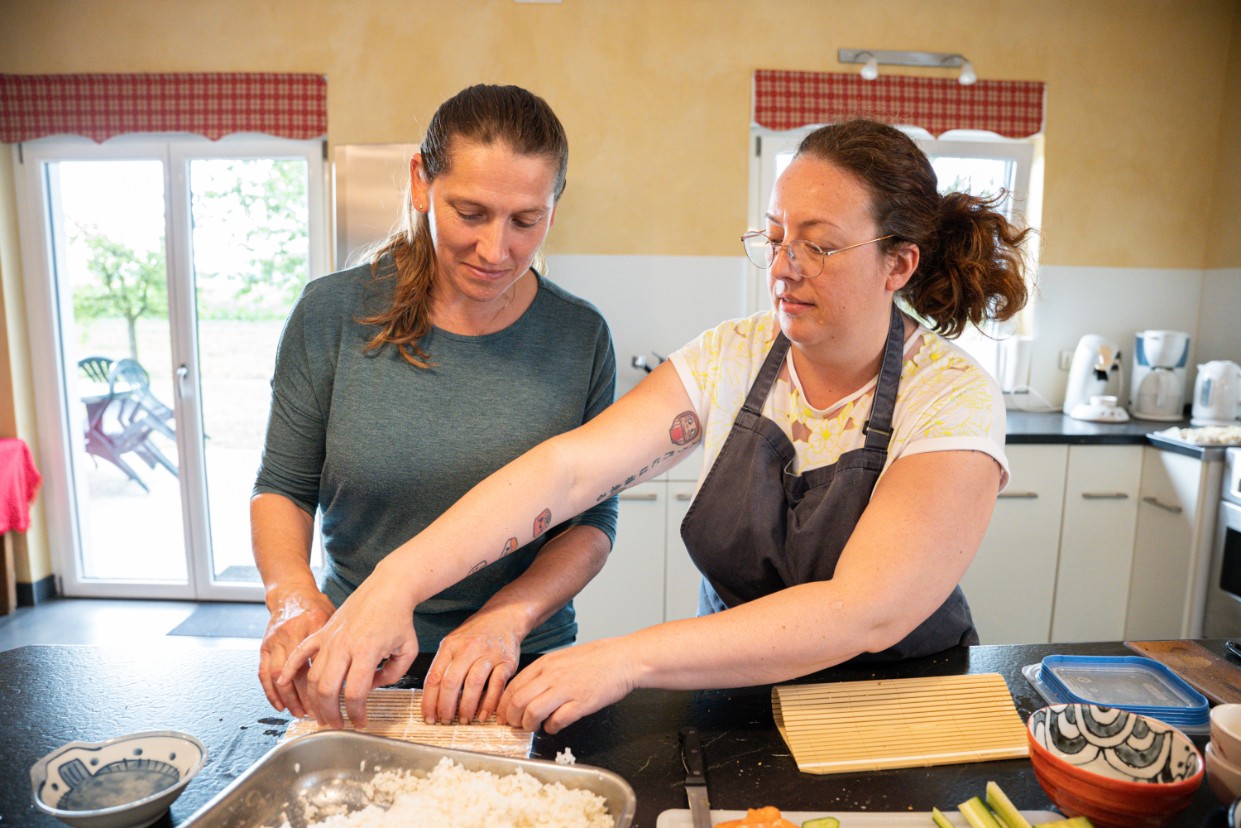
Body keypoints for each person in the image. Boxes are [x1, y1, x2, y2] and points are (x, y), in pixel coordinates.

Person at [278, 118, 1033, 733]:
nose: (783, 267)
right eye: (774, 238)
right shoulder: (733, 357)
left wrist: (626, 659)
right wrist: (393, 583)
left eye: (819, 244)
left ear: (897, 265)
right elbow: (568, 473)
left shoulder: (951, 399)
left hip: (898, 705)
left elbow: (863, 608)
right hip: (738, 692)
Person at [251, 84, 618, 725]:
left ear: (553, 209)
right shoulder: (331, 315)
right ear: (421, 182)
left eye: (526, 220)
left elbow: (590, 524)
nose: (496, 250)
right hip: (354, 652)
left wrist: (506, 618)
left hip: (513, 664)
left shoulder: (580, 337)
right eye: (470, 213)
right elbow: (282, 485)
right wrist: (291, 597)